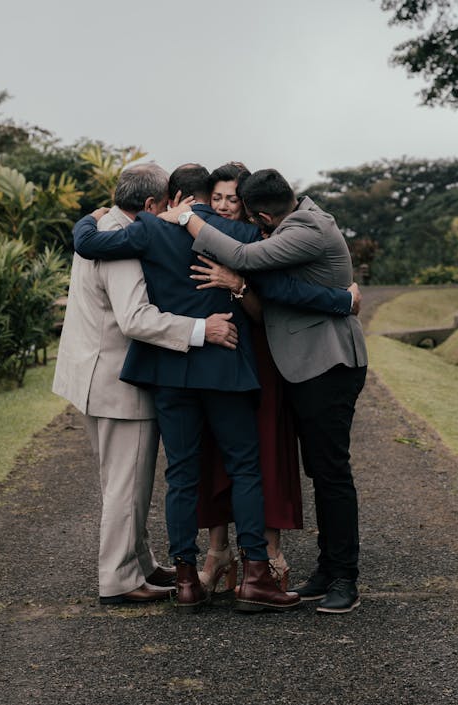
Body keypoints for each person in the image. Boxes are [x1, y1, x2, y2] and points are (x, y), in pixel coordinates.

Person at [73, 163, 302, 614]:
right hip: (224, 368)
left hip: (170, 372)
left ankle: (185, 582)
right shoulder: (234, 233)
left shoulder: (149, 230)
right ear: (206, 196)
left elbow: (86, 243)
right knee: (244, 469)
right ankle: (256, 574)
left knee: (180, 474)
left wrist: (91, 216)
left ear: (173, 195)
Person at [162, 168, 368, 615]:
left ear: (260, 213)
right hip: (307, 366)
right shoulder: (295, 220)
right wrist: (336, 298)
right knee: (321, 471)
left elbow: (250, 263)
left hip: (327, 364)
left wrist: (186, 218)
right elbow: (277, 286)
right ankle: (328, 567)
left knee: (332, 473)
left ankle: (345, 579)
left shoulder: (306, 228)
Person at [53, 163, 239, 606]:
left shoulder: (103, 227)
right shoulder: (123, 246)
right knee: (126, 484)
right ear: (153, 204)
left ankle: (140, 561)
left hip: (92, 374)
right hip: (117, 381)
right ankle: (118, 579)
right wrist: (201, 329)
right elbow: (135, 319)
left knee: (121, 480)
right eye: (168, 205)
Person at [196, 162, 303, 593]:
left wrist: (238, 284)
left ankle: (267, 553)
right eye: (216, 197)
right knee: (216, 453)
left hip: (261, 355)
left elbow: (266, 314)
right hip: (215, 359)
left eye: (232, 199)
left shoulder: (265, 242)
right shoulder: (199, 237)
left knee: (267, 451)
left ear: (249, 205)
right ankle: (218, 550)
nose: (223, 206)